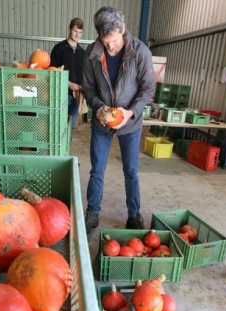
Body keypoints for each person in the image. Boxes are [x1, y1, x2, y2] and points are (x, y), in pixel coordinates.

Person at [81, 6, 156, 234]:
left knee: (131, 171)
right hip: (103, 123)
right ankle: (92, 213)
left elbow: (148, 88)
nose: (110, 47)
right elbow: (88, 88)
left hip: (130, 124)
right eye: (106, 42)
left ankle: (134, 215)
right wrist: (98, 107)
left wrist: (130, 112)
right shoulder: (92, 53)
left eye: (113, 41)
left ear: (122, 29)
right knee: (97, 170)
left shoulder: (140, 52)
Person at [50, 18, 86, 131]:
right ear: (70, 29)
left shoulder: (82, 53)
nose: (77, 35)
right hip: (60, 96)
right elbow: (52, 71)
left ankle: (67, 149)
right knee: (57, 128)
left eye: (80, 32)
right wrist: (67, 83)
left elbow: (84, 73)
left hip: (75, 97)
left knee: (69, 129)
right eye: (75, 31)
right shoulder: (59, 49)